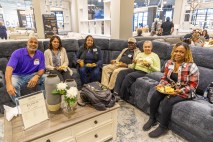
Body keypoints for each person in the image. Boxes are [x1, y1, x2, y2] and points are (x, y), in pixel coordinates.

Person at [143, 42, 199, 138]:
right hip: (171, 88)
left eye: (181, 52)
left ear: (186, 53)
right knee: (155, 94)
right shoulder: (169, 63)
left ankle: (163, 127)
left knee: (167, 101)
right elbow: (165, 78)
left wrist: (180, 91)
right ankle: (152, 118)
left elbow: (193, 86)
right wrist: (161, 85)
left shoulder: (192, 66)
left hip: (185, 91)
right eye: (176, 51)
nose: (178, 53)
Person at [5, 37, 46, 103]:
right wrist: (8, 84)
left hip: (32, 75)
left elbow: (42, 69)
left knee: (46, 79)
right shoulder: (17, 53)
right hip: (17, 76)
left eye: (35, 43)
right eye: (31, 42)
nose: (33, 44)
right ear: (27, 43)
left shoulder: (40, 54)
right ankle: (19, 105)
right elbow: (9, 69)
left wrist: (36, 76)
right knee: (13, 85)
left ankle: (43, 100)